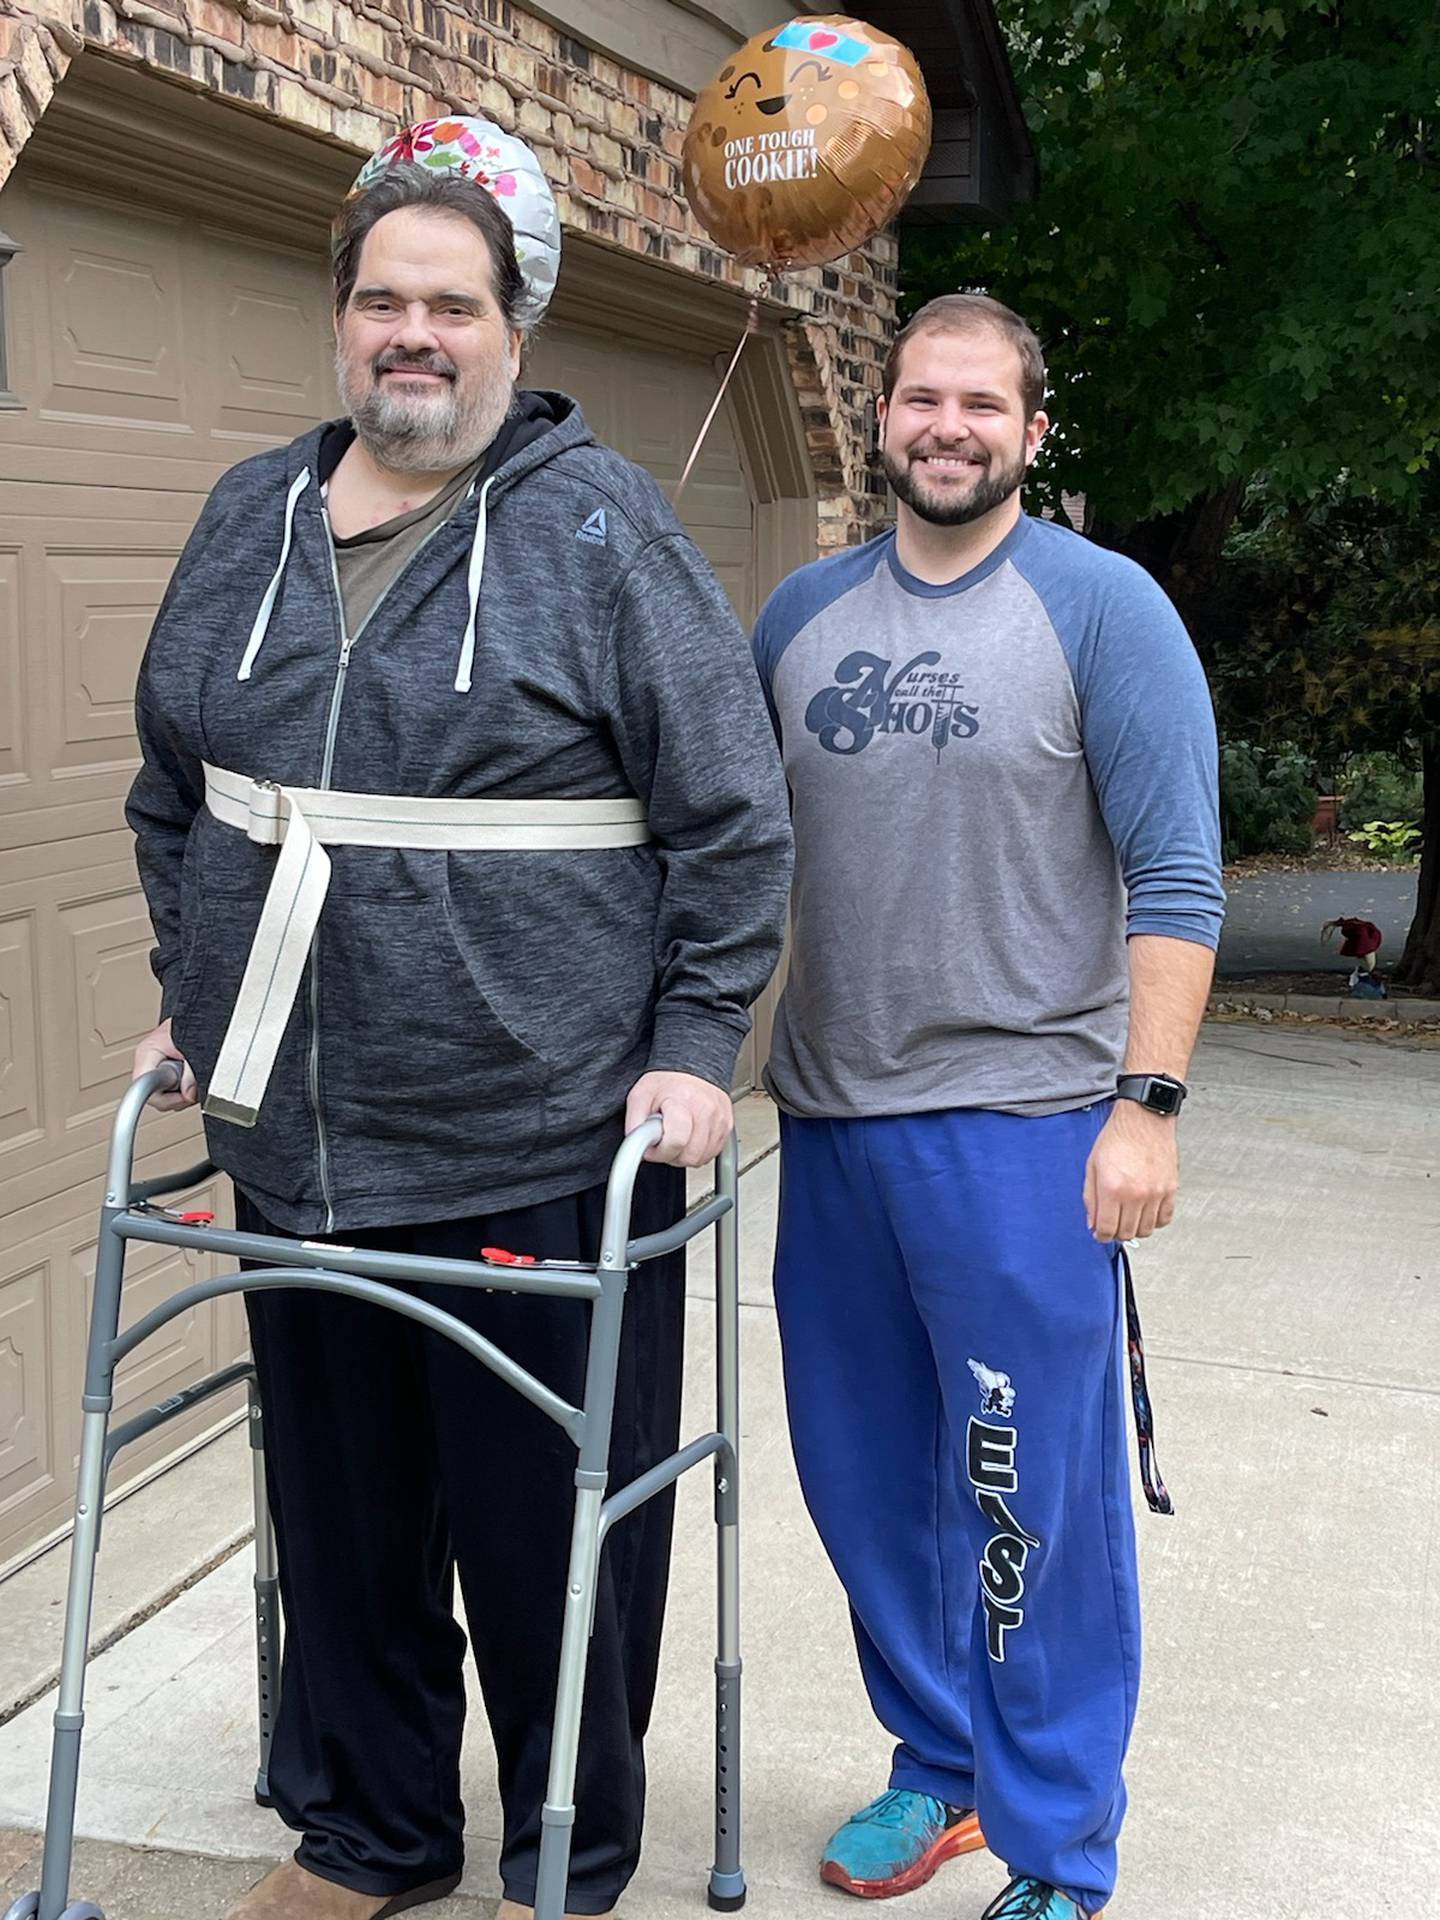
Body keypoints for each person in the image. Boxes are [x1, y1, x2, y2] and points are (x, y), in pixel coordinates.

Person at [125, 122, 791, 1920]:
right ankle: (373, 1832)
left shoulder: (601, 531)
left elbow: (733, 816)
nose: (411, 335)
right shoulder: (248, 516)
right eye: (380, 302)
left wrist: (695, 1039)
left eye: (450, 305)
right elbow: (175, 791)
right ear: (339, 322)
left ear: (516, 327)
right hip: (295, 1134)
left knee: (549, 1534)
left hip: (541, 1131)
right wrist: (201, 1001)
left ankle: (561, 1864)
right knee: (342, 1523)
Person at [752, 294, 1225, 1920]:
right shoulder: (799, 618)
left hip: (1026, 1131)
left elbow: (1177, 875)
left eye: (982, 404)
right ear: (882, 418)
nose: (946, 426)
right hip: (832, 1125)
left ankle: (1057, 1838)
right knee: (867, 1479)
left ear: (1031, 432)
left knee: (1025, 1492)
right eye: (920, 398)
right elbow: (733, 858)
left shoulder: (1105, 612)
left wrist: (1144, 1107)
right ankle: (938, 1767)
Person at [1321, 914, 1383, 988]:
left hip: (1365, 941)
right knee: (1368, 964)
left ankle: (1360, 977)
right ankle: (1361, 977)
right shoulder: (1367, 937)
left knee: (1367, 963)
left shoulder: (1366, 936)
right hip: (1366, 942)